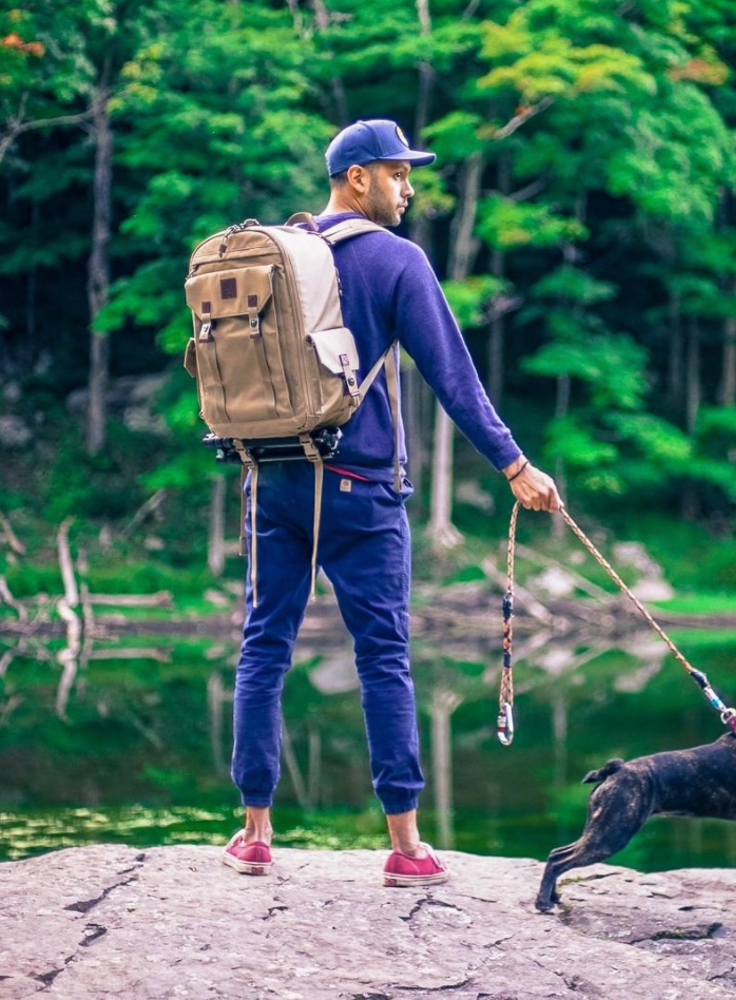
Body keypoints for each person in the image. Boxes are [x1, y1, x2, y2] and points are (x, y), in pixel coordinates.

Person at [223, 118, 562, 885]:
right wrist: (514, 465)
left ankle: (253, 834)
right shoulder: (396, 262)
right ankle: (406, 848)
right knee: (383, 657)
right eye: (397, 174)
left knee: (263, 645)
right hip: (362, 489)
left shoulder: (280, 252)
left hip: (273, 481)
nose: (408, 189)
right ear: (356, 178)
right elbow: (455, 379)